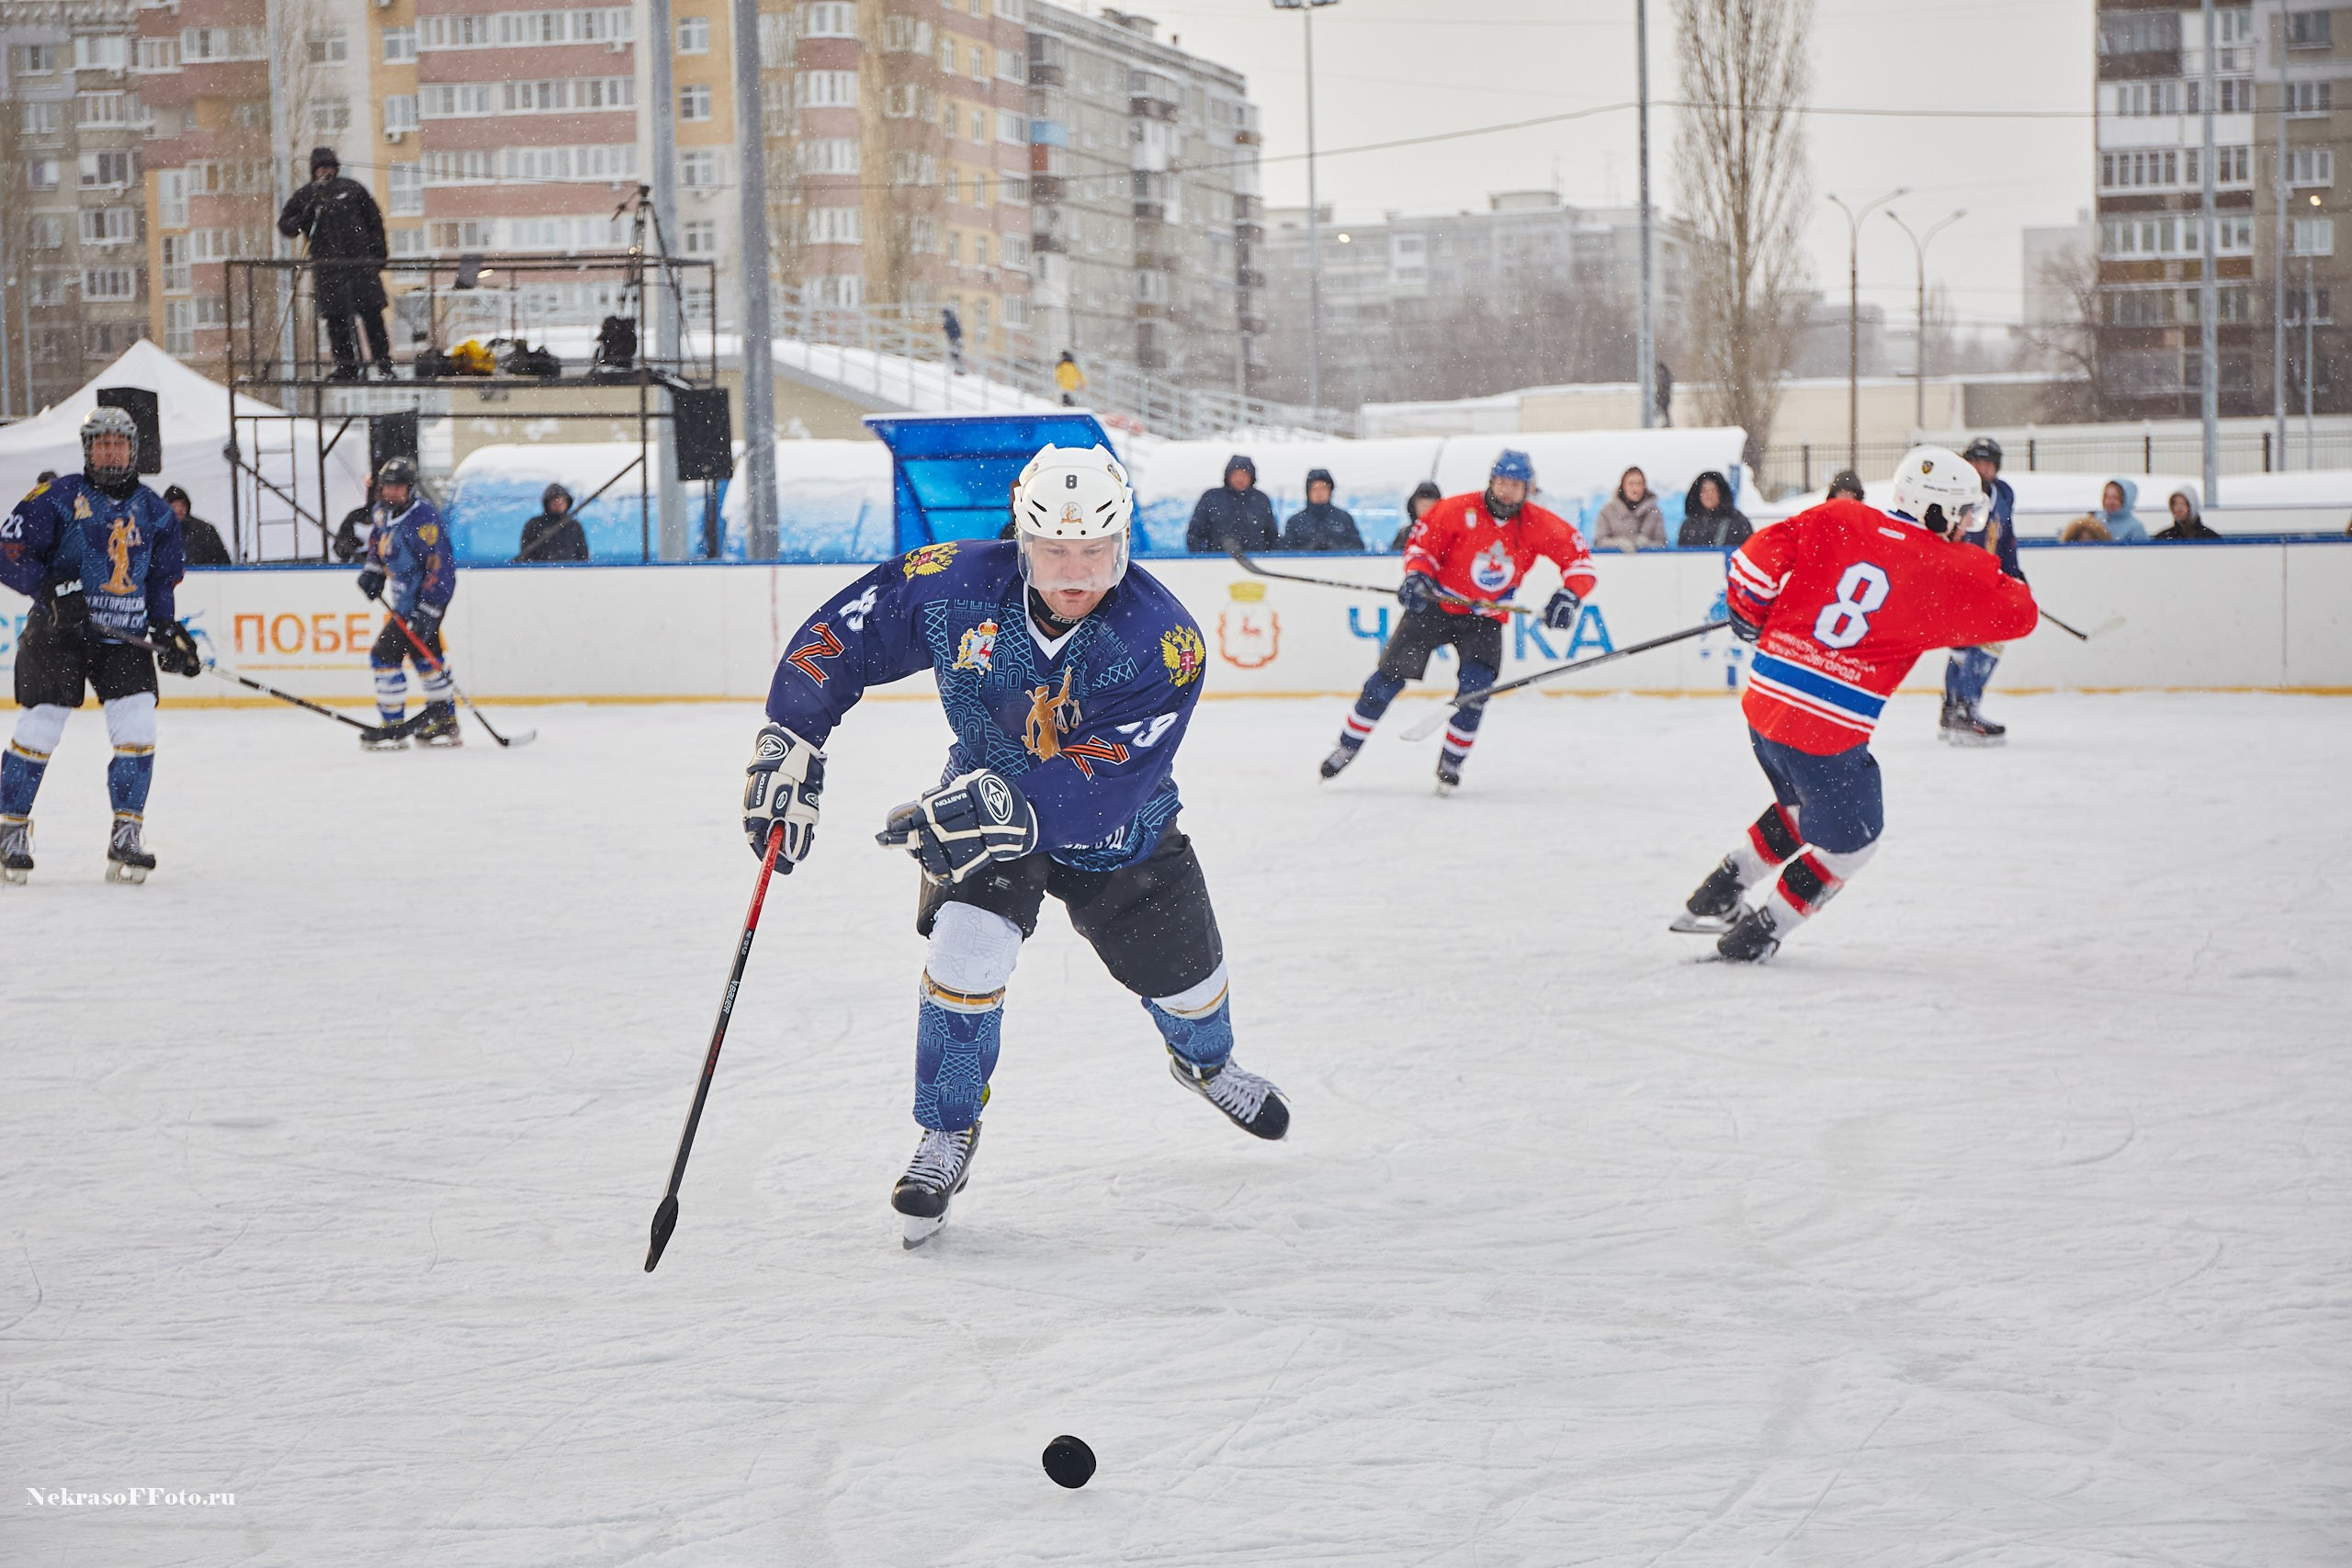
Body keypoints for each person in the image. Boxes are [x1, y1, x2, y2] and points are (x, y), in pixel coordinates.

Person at [746, 444, 1290, 1247]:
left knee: (1191, 992)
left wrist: (1013, 804)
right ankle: (948, 1129)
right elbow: (848, 631)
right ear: (1021, 540)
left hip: (1122, 832)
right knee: (965, 953)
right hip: (981, 803)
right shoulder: (955, 584)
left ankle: (1207, 1064)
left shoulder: (1163, 640)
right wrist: (791, 731)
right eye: (1055, 550)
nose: (1075, 572)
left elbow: (1113, 775)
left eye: (1096, 552)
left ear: (1124, 545)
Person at [1674, 446, 2039, 963]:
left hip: (1764, 707)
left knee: (1802, 808)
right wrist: (1995, 557)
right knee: (1854, 842)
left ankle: (1718, 891)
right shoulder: (1948, 566)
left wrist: (1749, 614)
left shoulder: (1840, 516)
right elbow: (2020, 614)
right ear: (1936, 511)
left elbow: (1753, 561)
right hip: (1824, 732)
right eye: (1961, 514)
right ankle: (1760, 932)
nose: (1965, 525)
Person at [1318, 449, 1595, 795]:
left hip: (1485, 619)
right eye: (1501, 482)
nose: (1506, 491)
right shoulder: (1455, 509)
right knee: (1385, 680)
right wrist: (1417, 578)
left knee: (1475, 691)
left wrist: (1570, 595)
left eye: (1515, 484)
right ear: (1491, 481)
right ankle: (1347, 745)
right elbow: (1421, 549)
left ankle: (1451, 762)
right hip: (1436, 608)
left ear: (1528, 489)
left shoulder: (1539, 524)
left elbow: (1580, 562)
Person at [0, 407, 199, 885]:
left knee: (138, 725)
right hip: (58, 634)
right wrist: (49, 590)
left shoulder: (154, 510)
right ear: (88, 448)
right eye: (101, 443)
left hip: (123, 639)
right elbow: (8, 552)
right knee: (41, 727)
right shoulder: (58, 496)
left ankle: (127, 833)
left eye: (119, 443)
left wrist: (167, 629)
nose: (111, 451)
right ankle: (10, 830)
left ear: (133, 449)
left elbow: (161, 578)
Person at [357, 457, 459, 749]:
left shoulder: (425, 519)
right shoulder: (382, 512)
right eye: (387, 486)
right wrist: (373, 573)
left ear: (410, 488)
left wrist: (428, 610)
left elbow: (441, 567)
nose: (391, 492)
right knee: (426, 658)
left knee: (383, 656)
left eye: (398, 487)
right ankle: (444, 721)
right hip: (405, 602)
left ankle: (392, 725)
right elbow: (379, 543)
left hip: (424, 602)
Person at [1939, 436, 2029, 747]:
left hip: (1987, 582)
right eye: (1976, 461)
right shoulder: (1955, 492)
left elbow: (2005, 538)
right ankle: (1961, 708)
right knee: (1969, 645)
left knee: (1978, 644)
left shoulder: (2003, 495)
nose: (1982, 468)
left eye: (1988, 462)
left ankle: (1956, 709)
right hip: (1959, 582)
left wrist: (2015, 575)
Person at [276, 147, 392, 382]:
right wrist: (308, 213)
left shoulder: (352, 190)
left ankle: (383, 365)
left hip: (360, 267)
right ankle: (347, 367)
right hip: (329, 270)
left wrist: (378, 257)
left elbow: (374, 222)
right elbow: (286, 226)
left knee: (372, 318)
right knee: (337, 322)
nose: (325, 173)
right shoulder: (307, 196)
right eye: (321, 169)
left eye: (329, 167)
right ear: (314, 172)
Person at [1184, 454, 1278, 554]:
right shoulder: (1211, 498)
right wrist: (1201, 559)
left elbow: (1272, 535)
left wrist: (1269, 558)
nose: (1239, 479)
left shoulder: (1261, 499)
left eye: (1244, 475)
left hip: (1255, 563)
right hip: (1217, 562)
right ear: (1228, 476)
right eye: (1236, 474)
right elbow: (1195, 533)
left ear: (1251, 477)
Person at [1279, 468, 1363, 552]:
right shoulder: (1295, 522)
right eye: (1314, 488)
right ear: (1308, 492)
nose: (1319, 493)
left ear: (1330, 491)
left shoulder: (1344, 519)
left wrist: (1335, 549)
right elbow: (1286, 551)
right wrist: (1308, 550)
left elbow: (1358, 548)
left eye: (1323, 488)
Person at [1590, 466, 1666, 551]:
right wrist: (1618, 543)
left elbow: (1662, 543)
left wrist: (1646, 545)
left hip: (1647, 562)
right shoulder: (1607, 511)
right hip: (1615, 562)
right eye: (1631, 483)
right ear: (1623, 486)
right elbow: (1599, 541)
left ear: (1644, 486)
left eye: (1639, 483)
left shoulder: (1654, 512)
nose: (1635, 488)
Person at [514, 483, 590, 563]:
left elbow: (583, 554)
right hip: (540, 571)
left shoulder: (574, 526)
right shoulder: (534, 524)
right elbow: (526, 553)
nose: (558, 505)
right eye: (555, 502)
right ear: (547, 504)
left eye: (562, 502)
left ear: (567, 503)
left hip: (569, 571)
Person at [1677, 470, 1751, 549]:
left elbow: (1748, 552)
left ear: (1721, 493)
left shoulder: (1738, 521)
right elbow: (1683, 556)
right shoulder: (1689, 525)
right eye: (1704, 491)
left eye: (1713, 490)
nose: (1709, 495)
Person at [163, 485, 232, 566]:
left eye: (182, 505)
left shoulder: (204, 530)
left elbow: (223, 564)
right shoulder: (158, 532)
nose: (179, 509)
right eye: (174, 506)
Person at [2155, 483, 2220, 541]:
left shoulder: (2211, 538)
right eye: (2175, 504)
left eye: (2183, 504)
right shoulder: (2163, 538)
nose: (2178, 509)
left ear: (2192, 506)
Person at [1390, 479, 1442, 551]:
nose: (1425, 509)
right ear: (1414, 506)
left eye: (1430, 505)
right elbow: (1394, 558)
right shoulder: (1405, 534)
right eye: (1421, 504)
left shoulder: (1445, 534)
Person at [2098, 478, 2148, 543]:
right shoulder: (2096, 521)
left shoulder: (2135, 528)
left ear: (2127, 500)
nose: (2111, 502)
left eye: (2116, 498)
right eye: (2107, 498)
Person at [333, 486, 374, 563]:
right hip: (358, 566)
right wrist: (349, 544)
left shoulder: (398, 516)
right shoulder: (357, 516)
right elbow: (339, 549)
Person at [942, 307, 965, 373]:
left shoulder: (950, 319)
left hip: (955, 340)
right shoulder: (953, 318)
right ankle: (958, 370)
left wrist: (944, 327)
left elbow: (947, 327)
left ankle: (959, 370)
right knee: (956, 355)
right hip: (956, 339)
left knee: (955, 355)